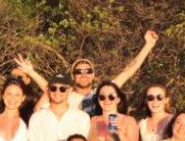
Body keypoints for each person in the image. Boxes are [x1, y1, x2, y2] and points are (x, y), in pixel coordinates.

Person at [17, 30, 159, 114]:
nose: (84, 74)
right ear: (73, 76)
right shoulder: (66, 96)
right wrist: (32, 72)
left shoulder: (103, 94)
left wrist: (148, 45)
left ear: (93, 75)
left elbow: (128, 71)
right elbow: (50, 88)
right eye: (79, 71)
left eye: (87, 70)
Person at [26, 74, 90, 141]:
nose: (57, 92)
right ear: (48, 90)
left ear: (70, 90)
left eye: (62, 89)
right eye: (53, 88)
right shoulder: (37, 118)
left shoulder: (82, 118)